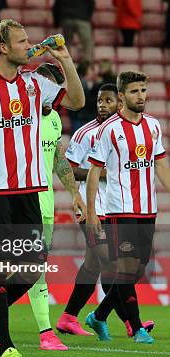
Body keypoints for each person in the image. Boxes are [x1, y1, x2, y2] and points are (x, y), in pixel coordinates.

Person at [0, 19, 85, 357]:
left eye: (29, 40)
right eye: (22, 41)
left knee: (33, 264)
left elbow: (78, 99)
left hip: (30, 190)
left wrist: (65, 59)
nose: (30, 45)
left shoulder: (33, 84)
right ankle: (6, 347)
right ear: (3, 47)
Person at [58, 83, 155, 337]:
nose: (102, 104)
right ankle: (130, 322)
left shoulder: (129, 132)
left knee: (95, 264)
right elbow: (66, 168)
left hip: (117, 209)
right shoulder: (84, 134)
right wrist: (98, 172)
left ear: (120, 102)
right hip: (90, 211)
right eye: (100, 100)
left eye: (108, 100)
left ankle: (70, 317)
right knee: (112, 261)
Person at [85, 71, 170, 344]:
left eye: (144, 90)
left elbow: (159, 165)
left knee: (137, 269)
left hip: (148, 209)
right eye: (135, 91)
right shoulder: (109, 129)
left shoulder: (153, 126)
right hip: (120, 209)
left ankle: (98, 315)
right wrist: (90, 212)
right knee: (125, 268)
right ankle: (137, 328)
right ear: (122, 96)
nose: (141, 96)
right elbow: (93, 172)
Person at [24, 63, 82, 351]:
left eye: (56, 89)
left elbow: (58, 159)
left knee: (36, 269)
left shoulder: (55, 120)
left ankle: (45, 334)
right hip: (19, 201)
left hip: (45, 204)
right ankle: (44, 332)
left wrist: (75, 194)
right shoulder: (20, 117)